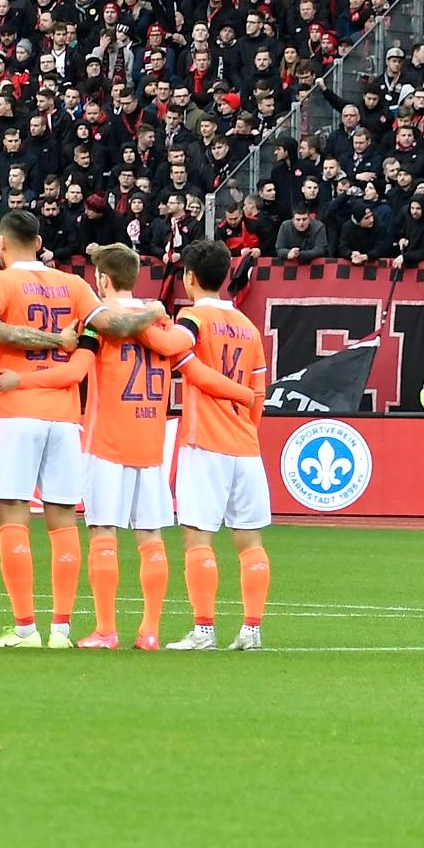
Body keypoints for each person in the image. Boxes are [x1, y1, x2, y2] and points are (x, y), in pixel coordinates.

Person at [0, 211, 162, 647]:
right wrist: (156, 307)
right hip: (65, 418)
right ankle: (62, 629)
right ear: (40, 240)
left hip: (16, 411)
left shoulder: (1, 282)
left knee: (14, 517)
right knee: (63, 521)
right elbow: (120, 326)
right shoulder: (76, 286)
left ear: (3, 245)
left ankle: (26, 627)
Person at [0, 243, 258, 650]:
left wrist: (21, 381)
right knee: (151, 537)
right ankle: (150, 632)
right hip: (152, 444)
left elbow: (74, 373)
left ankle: (105, 630)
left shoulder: (100, 323)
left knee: (103, 534)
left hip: (108, 443)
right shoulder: (167, 326)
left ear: (101, 280)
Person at [164, 240, 274, 651]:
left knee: (197, 537)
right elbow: (259, 392)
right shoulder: (247, 326)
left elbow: (176, 349)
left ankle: (204, 631)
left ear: (189, 278)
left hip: (205, 444)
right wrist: (244, 423)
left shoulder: (193, 318)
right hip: (245, 447)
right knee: (250, 541)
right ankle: (251, 629)